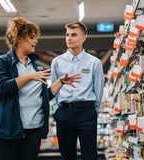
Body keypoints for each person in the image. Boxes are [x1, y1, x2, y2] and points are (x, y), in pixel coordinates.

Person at [0, 17, 81, 160]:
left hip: (33, 130)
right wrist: (30, 77)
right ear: (19, 38)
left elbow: (43, 96)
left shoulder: (34, 65)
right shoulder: (3, 62)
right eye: (32, 37)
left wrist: (60, 82)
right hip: (9, 131)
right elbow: (2, 88)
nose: (36, 41)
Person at [51, 21, 104, 160]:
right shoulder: (57, 62)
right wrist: (62, 107)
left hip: (87, 112)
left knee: (90, 155)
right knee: (67, 155)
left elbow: (98, 91)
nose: (69, 38)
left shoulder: (94, 63)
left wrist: (93, 111)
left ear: (84, 37)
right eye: (67, 35)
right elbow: (54, 89)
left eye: (74, 35)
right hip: (64, 112)